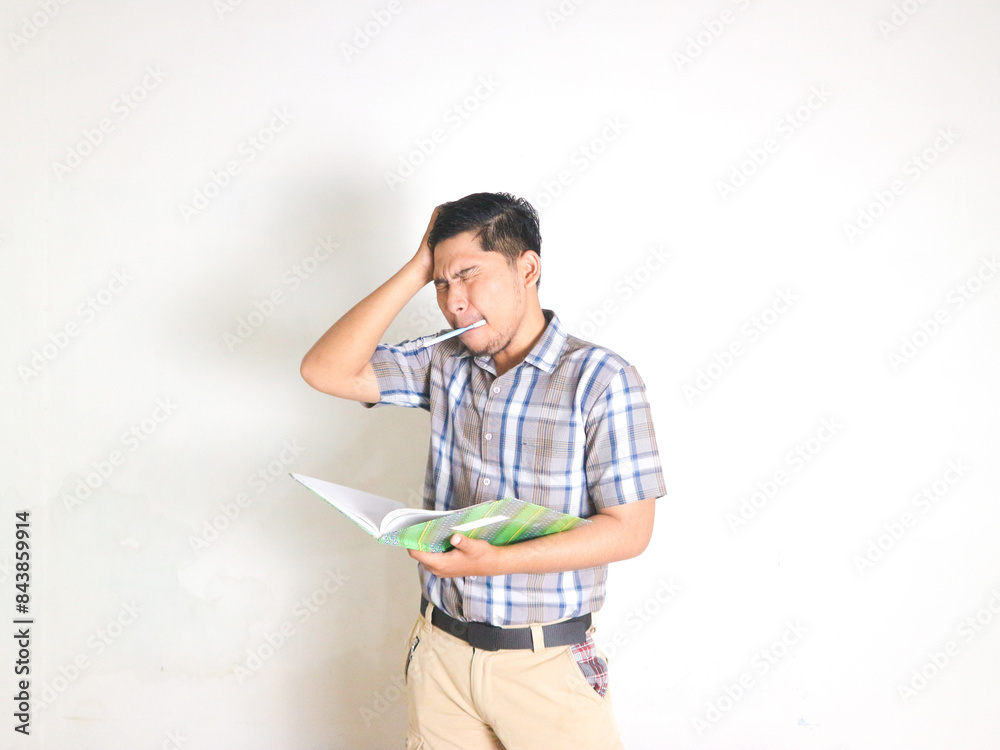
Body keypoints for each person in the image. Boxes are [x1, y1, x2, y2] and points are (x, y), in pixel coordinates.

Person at [300, 192, 667, 750]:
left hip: (544, 665)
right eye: (442, 285)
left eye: (470, 276)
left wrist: (497, 561)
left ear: (527, 269)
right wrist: (419, 267)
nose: (454, 303)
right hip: (441, 655)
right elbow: (324, 370)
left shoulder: (602, 379)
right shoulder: (444, 363)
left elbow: (629, 531)